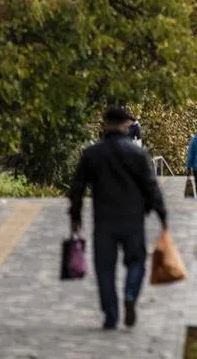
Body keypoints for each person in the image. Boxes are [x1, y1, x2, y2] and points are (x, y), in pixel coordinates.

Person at [68, 106, 167, 330]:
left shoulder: (92, 153)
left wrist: (75, 217)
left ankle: (110, 316)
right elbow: (151, 187)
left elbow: (77, 188)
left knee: (105, 269)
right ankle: (130, 295)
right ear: (125, 125)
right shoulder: (138, 154)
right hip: (133, 219)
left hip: (104, 220)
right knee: (136, 262)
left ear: (104, 124)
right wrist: (161, 214)